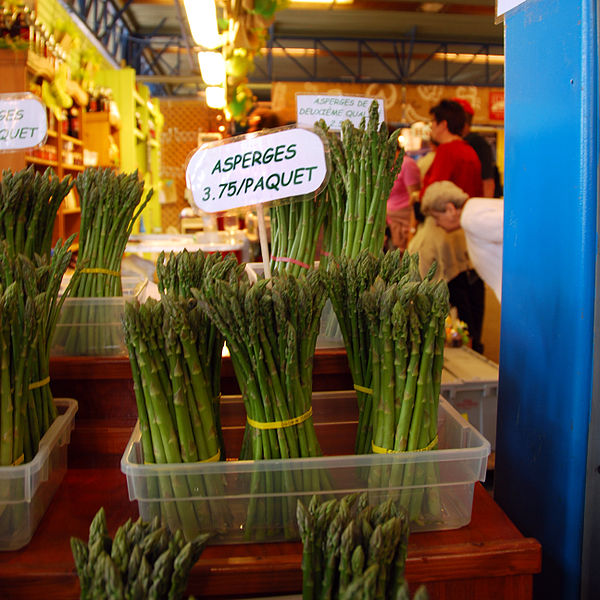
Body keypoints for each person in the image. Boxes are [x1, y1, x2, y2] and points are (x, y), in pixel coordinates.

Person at [408, 180, 485, 353]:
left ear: (450, 209)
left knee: (467, 336)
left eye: (436, 217)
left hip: (454, 283)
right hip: (469, 278)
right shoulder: (461, 222)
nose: (436, 222)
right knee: (472, 333)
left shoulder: (426, 238)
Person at [421, 99, 483, 199]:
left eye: (433, 121)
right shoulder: (470, 150)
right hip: (468, 211)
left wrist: (417, 196)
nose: (431, 126)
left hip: (448, 212)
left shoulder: (446, 151)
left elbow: (434, 193)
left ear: (443, 125)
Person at [460, 196, 504, 303]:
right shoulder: (473, 205)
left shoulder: (470, 219)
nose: (437, 224)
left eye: (436, 218)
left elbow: (514, 226)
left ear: (450, 208)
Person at [451, 97, 496, 198]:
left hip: (471, 207)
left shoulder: (478, 143)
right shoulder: (449, 145)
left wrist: (484, 208)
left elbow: (488, 180)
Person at [386, 154, 421, 252]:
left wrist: (412, 230)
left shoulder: (406, 164)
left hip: (407, 222)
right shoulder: (387, 165)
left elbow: (415, 197)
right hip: (393, 223)